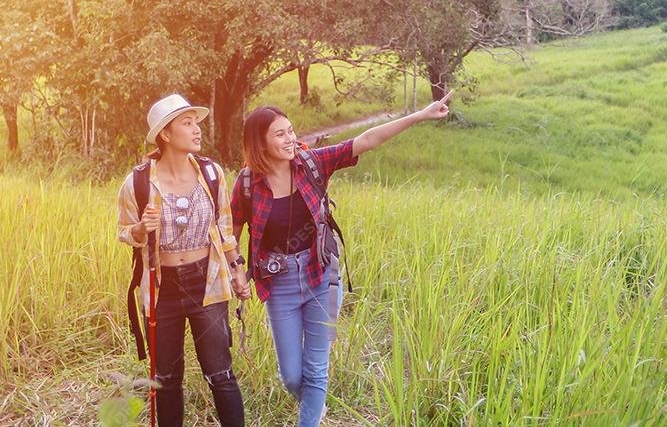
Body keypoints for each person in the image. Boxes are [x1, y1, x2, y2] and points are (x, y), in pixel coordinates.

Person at [230, 92, 453, 426]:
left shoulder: (311, 163)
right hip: (278, 283)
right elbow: (230, 231)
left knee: (316, 369)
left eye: (291, 130)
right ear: (259, 142)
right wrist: (235, 268)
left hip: (320, 274)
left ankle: (310, 416)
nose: (291, 139)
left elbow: (365, 140)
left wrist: (418, 116)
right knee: (291, 375)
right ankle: (314, 406)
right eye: (280, 133)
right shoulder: (247, 184)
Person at [117, 94, 251, 427]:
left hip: (206, 279)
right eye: (187, 123)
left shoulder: (211, 173)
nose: (197, 130)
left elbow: (224, 228)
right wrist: (140, 227)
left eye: (196, 122)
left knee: (220, 372)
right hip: (163, 288)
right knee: (166, 378)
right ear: (165, 134)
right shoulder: (137, 182)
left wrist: (237, 270)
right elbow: (124, 232)